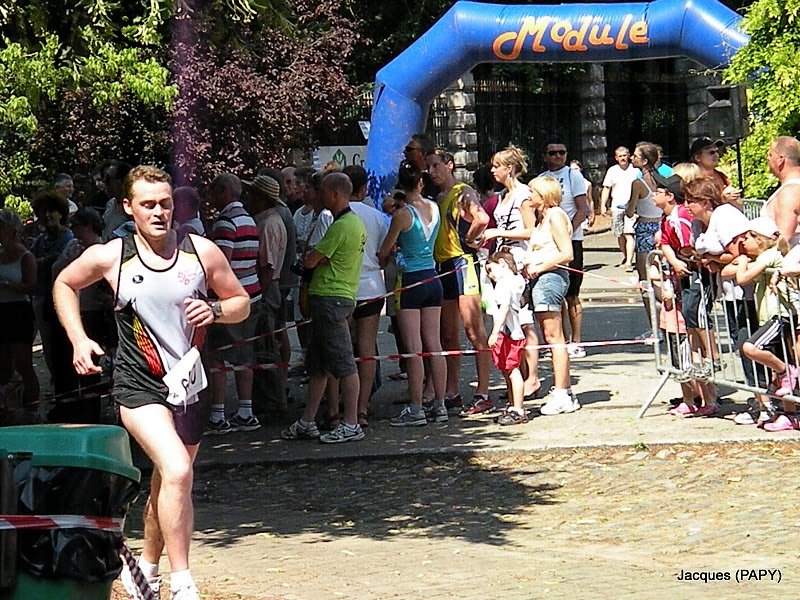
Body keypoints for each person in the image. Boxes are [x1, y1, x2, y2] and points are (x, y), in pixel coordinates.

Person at [53, 165, 250, 600]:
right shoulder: (112, 256)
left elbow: (241, 301)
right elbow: (65, 283)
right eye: (148, 205)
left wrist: (216, 311)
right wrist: (78, 339)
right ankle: (182, 583)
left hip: (190, 383)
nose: (159, 212)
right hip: (138, 384)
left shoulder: (200, 251)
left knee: (169, 480)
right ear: (129, 207)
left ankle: (145, 568)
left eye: (165, 203)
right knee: (177, 468)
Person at [282, 172, 367, 443]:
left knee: (344, 364)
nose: (319, 197)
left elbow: (310, 260)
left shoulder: (341, 226)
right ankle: (307, 421)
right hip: (332, 297)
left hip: (332, 298)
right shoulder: (354, 222)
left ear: (335, 194)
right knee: (318, 365)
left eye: (323, 192)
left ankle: (351, 423)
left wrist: (311, 260)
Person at [378, 160, 447, 426]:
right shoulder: (434, 207)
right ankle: (440, 404)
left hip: (411, 281)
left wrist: (392, 252)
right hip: (432, 277)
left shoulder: (402, 215)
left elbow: (384, 251)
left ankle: (416, 407)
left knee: (414, 348)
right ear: (420, 182)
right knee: (434, 344)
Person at [426, 147, 492, 414]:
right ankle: (451, 390)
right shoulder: (438, 197)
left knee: (473, 330)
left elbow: (482, 218)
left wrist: (471, 238)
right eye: (428, 167)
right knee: (448, 334)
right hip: (442, 266)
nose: (431, 172)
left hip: (462, 264)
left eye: (435, 166)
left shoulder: (463, 192)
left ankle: (483, 392)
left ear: (449, 165)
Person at [482, 144, 542, 401]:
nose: (493, 170)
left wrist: (500, 232)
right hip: (502, 260)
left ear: (510, 168)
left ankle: (532, 378)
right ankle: (515, 378)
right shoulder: (503, 195)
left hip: (518, 261)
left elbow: (531, 231)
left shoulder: (523, 195)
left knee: (524, 320)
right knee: (507, 319)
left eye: (497, 166)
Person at [206, 173, 263, 434]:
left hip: (229, 299)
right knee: (245, 356)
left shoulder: (226, 222)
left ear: (224, 192)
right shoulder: (249, 219)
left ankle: (217, 416)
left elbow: (221, 264)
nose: (211, 198)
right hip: (253, 294)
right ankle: (245, 411)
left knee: (219, 357)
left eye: (214, 192)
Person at [732, 218, 799, 431]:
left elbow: (742, 278)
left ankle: (785, 371)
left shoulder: (770, 255)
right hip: (771, 316)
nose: (743, 242)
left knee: (751, 347)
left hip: (779, 316)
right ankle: (789, 414)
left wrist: (742, 262)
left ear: (759, 239)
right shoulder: (766, 256)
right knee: (780, 368)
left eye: (748, 238)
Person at [523, 176, 578, 414]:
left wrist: (539, 267)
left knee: (554, 337)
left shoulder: (555, 215)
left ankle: (562, 392)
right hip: (540, 279)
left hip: (550, 278)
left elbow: (567, 253)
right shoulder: (541, 218)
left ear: (544, 194)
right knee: (550, 336)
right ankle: (564, 390)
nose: (529, 196)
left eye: (532, 192)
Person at [345, 165, 390, 426]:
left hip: (344, 287)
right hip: (372, 287)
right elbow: (384, 254)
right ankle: (362, 407)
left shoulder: (333, 214)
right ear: (364, 189)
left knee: (342, 350)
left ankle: (344, 407)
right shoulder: (377, 217)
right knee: (367, 349)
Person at [244, 174, 288, 417]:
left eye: (251, 195)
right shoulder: (264, 220)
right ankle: (267, 399)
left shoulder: (269, 224)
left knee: (266, 347)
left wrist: (257, 294)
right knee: (263, 346)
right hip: (266, 288)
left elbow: (268, 267)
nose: (248, 199)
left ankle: (272, 402)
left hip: (266, 290)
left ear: (262, 198)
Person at [540, 139, 587, 359]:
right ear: (545, 156)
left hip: (571, 240)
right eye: (553, 153)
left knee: (572, 294)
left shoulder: (573, 176)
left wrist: (567, 233)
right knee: (554, 293)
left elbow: (582, 209)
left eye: (561, 152)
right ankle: (560, 340)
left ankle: (576, 341)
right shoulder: (541, 180)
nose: (558, 156)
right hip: (550, 245)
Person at [30, 191, 75, 383]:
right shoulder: (41, 241)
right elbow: (31, 265)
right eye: (43, 212)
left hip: (63, 301)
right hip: (43, 301)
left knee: (64, 348)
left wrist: (42, 262)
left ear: (61, 213)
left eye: (52, 211)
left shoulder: (69, 238)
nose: (47, 215)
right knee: (49, 349)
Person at [0, 209, 40, 417]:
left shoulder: (25, 256)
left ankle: (33, 409)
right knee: (3, 363)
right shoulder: (0, 255)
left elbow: (31, 286)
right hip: (2, 310)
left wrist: (8, 285)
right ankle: (7, 407)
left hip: (18, 311)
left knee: (23, 363)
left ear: (11, 229)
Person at [485, 251, 529, 425]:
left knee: (512, 370)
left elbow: (504, 308)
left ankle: (518, 409)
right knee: (507, 371)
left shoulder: (505, 283)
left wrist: (495, 332)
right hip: (512, 332)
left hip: (509, 333)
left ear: (502, 263)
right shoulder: (517, 280)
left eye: (491, 270)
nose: (490, 275)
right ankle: (512, 405)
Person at [627, 142, 664, 327]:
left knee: (645, 280)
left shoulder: (638, 184)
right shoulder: (663, 180)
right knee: (664, 277)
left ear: (644, 161)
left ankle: (654, 326)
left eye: (635, 156)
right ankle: (669, 322)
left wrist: (629, 209)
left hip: (644, 229)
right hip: (661, 228)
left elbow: (630, 211)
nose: (631, 158)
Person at [601, 146, 639, 268]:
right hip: (616, 207)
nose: (623, 158)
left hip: (632, 207)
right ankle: (626, 256)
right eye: (620, 156)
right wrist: (602, 205)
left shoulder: (636, 170)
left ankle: (629, 262)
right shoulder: (612, 171)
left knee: (629, 234)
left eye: (624, 155)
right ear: (616, 158)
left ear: (629, 156)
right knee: (620, 234)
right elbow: (606, 188)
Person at [761, 136, 800, 248]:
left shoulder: (790, 192)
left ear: (780, 159)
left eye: (770, 155)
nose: (767, 158)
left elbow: (783, 243)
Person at [689, 137, 742, 208]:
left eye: (717, 151)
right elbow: (699, 207)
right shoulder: (692, 179)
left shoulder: (722, 176)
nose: (716, 155)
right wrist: (723, 200)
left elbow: (740, 206)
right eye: (711, 152)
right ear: (697, 158)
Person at [404, 134, 439, 200]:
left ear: (422, 153)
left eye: (409, 149)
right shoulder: (406, 175)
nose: (405, 152)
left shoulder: (435, 179)